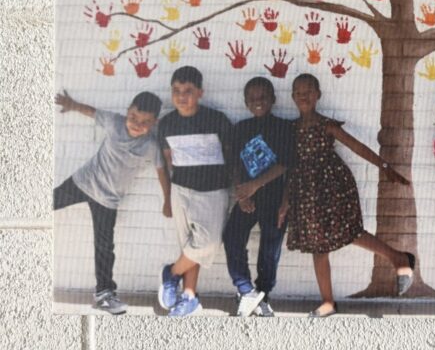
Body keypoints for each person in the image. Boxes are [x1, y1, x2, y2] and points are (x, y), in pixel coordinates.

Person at [280, 73, 415, 318]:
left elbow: (357, 147)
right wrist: (285, 202)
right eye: (298, 92)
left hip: (333, 187)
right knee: (317, 247)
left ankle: (399, 259)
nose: (303, 96)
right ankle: (328, 302)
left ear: (318, 95)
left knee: (351, 232)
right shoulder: (290, 129)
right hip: (306, 192)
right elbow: (290, 164)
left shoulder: (327, 124)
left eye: (308, 91)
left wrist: (385, 168)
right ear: (292, 97)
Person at [54, 89, 162, 314]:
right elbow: (92, 112)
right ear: (127, 112)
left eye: (145, 122)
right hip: (83, 182)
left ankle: (104, 294)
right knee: (48, 201)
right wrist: (72, 104)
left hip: (108, 200)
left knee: (104, 247)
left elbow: (162, 170)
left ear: (154, 123)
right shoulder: (115, 122)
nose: (136, 124)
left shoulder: (151, 145)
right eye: (133, 117)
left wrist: (168, 200)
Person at [156, 66, 233, 317]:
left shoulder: (217, 119)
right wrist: (168, 198)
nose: (181, 96)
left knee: (207, 243)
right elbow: (169, 163)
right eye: (176, 90)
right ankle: (189, 297)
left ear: (200, 92)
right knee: (188, 245)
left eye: (188, 91)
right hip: (181, 191)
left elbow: (231, 157)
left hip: (212, 192)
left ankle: (172, 273)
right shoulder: (166, 123)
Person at [223, 77, 296, 318]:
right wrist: (241, 194)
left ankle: (264, 294)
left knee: (270, 248)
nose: (258, 102)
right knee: (232, 237)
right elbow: (233, 165)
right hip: (247, 199)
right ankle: (246, 291)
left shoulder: (284, 127)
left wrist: (256, 186)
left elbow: (285, 164)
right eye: (252, 99)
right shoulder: (240, 128)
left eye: (263, 97)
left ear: (273, 99)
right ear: (245, 102)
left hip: (275, 200)